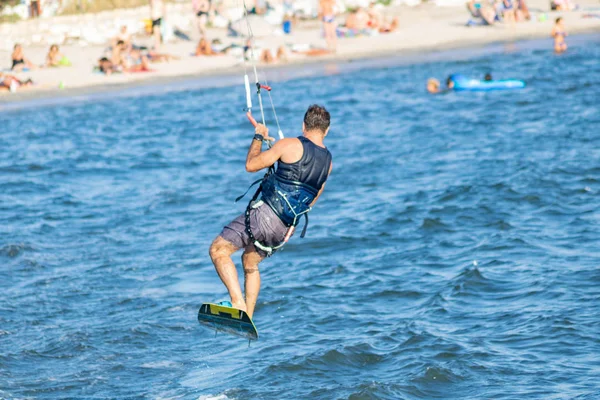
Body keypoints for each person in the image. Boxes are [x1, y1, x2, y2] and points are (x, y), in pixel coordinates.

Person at [208, 105, 334, 318]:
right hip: (285, 229)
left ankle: (237, 303)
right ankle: (247, 315)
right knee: (250, 261)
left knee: (218, 250)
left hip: (266, 215)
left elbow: (251, 165)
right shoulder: (328, 163)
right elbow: (312, 199)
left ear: (304, 125)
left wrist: (258, 136)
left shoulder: (290, 144)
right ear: (326, 130)